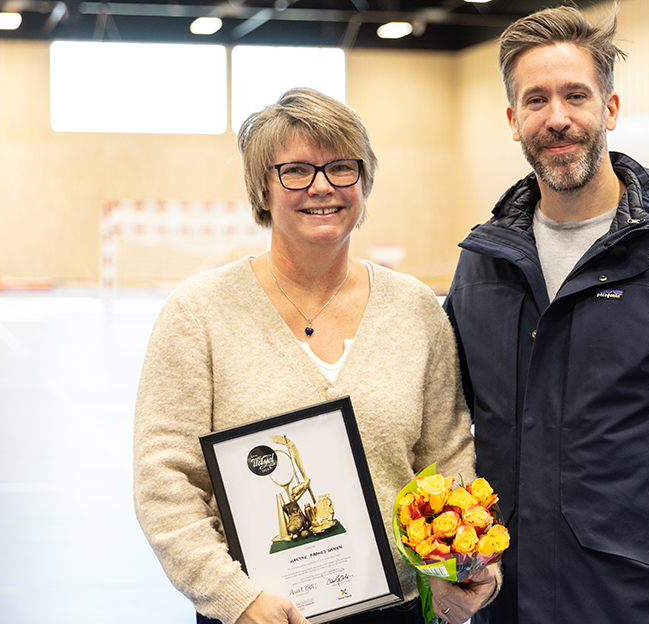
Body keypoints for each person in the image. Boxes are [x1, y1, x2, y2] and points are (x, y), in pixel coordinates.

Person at [442, 6, 649, 624]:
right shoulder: (482, 265)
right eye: (536, 100)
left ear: (611, 109)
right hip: (508, 603)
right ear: (514, 121)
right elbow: (451, 437)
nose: (558, 118)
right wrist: (452, 569)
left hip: (638, 603)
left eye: (577, 95)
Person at [133, 87, 495, 624]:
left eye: (341, 168)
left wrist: (464, 565)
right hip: (256, 614)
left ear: (364, 182)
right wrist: (235, 598)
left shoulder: (416, 309)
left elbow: (447, 459)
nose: (321, 186)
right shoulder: (198, 314)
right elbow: (165, 480)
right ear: (263, 189)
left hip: (395, 609)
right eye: (295, 171)